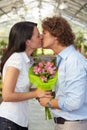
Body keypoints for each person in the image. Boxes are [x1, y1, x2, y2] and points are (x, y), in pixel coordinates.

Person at [0, 21, 51, 130]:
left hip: (20, 120)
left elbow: (20, 89)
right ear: (28, 41)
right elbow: (7, 95)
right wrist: (36, 93)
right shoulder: (16, 59)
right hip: (9, 121)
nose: (41, 37)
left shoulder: (26, 60)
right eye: (38, 35)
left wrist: (41, 91)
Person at [39, 16, 87, 130]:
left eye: (44, 33)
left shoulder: (73, 61)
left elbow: (74, 102)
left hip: (73, 124)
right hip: (66, 123)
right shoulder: (63, 59)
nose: (41, 36)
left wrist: (49, 102)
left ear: (56, 35)